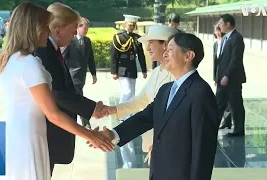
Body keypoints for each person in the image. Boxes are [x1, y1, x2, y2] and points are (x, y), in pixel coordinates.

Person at [0, 2, 113, 180]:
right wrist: (91, 135)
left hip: (19, 136)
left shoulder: (11, 58)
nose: (48, 31)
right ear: (33, 29)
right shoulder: (29, 63)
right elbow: (53, 114)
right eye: (45, 27)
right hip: (31, 139)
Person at [93, 33, 220, 180]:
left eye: (170, 49)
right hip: (160, 171)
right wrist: (113, 134)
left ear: (188, 56)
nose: (165, 54)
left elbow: (203, 148)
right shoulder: (166, 89)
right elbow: (145, 118)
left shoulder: (200, 92)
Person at [34, 2, 111, 175]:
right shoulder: (43, 52)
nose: (76, 33)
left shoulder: (52, 51)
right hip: (45, 133)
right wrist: (92, 109)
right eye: (73, 28)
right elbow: (58, 95)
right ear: (58, 30)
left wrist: (91, 109)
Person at [104, 25, 178, 164]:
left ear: (166, 45)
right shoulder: (157, 72)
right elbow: (141, 100)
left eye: (151, 43)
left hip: (168, 144)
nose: (148, 48)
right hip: (153, 140)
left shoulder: (175, 75)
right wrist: (114, 109)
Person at [110, 14, 147, 120]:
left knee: (132, 93)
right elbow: (113, 54)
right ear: (125, 24)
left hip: (132, 68)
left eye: (133, 25)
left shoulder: (137, 38)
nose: (132, 27)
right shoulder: (118, 37)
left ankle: (128, 113)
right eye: (130, 25)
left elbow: (141, 55)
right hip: (122, 67)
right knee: (127, 91)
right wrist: (113, 71)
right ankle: (119, 112)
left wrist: (144, 70)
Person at [63, 17, 97, 129]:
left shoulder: (87, 41)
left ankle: (70, 120)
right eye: (84, 28)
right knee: (79, 97)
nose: (86, 31)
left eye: (87, 29)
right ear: (78, 27)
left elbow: (90, 58)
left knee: (74, 98)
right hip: (72, 75)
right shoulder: (70, 41)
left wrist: (93, 74)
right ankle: (85, 123)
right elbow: (63, 57)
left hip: (82, 76)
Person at [215, 14, 246, 136]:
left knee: (235, 104)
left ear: (228, 24)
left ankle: (239, 129)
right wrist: (218, 77)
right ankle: (214, 126)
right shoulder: (225, 38)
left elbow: (235, 60)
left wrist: (227, 75)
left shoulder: (237, 38)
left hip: (232, 79)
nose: (219, 26)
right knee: (218, 103)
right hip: (222, 78)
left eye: (221, 23)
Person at [213, 23, 232, 127]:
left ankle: (224, 121)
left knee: (224, 99)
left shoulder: (226, 41)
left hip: (226, 75)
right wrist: (215, 77)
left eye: (218, 30)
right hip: (219, 75)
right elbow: (215, 62)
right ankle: (223, 120)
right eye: (216, 30)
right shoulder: (216, 44)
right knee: (220, 99)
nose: (217, 32)